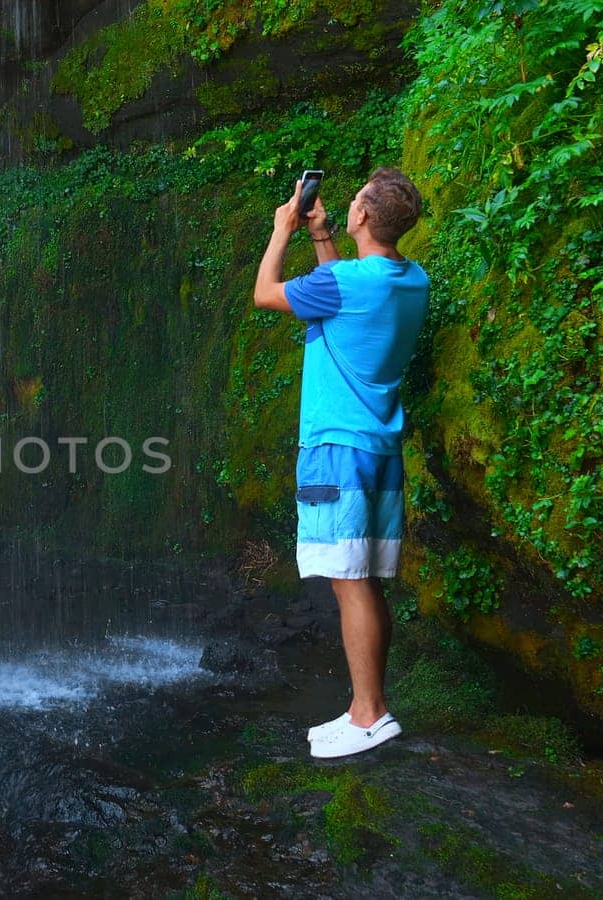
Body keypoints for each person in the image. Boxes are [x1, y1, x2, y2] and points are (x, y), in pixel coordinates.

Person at [252, 167, 429, 758]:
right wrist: (322, 235)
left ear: (362, 217)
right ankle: (364, 708)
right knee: (365, 581)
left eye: (354, 201)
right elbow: (343, 298)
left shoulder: (347, 284)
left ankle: (370, 716)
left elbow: (266, 294)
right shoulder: (410, 280)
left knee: (350, 584)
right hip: (379, 447)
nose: (347, 204)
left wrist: (283, 230)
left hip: (335, 451)